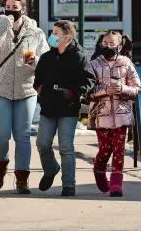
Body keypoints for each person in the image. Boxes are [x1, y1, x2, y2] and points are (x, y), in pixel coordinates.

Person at [0, 0, 49, 194]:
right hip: (0, 89)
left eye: (14, 8)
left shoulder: (36, 33)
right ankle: (0, 167)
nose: (10, 11)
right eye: (7, 7)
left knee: (23, 135)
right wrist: (2, 26)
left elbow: (45, 63)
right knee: (0, 134)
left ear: (23, 9)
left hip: (26, 90)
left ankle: (22, 179)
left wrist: (35, 61)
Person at [34, 20, 96, 197]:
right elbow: (37, 79)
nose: (51, 36)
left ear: (66, 37)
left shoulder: (79, 57)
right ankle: (51, 168)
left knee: (66, 147)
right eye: (52, 33)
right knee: (42, 143)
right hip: (48, 108)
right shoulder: (47, 57)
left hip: (68, 109)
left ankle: (69, 185)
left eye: (55, 33)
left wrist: (72, 93)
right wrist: (41, 90)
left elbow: (89, 80)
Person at [88, 31, 141, 197]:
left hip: (122, 115)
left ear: (119, 46)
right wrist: (103, 90)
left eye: (112, 44)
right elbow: (87, 91)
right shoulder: (94, 64)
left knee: (119, 149)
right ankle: (99, 169)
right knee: (105, 149)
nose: (108, 46)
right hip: (101, 114)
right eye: (105, 43)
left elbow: (137, 87)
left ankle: (116, 184)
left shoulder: (126, 63)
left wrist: (123, 89)